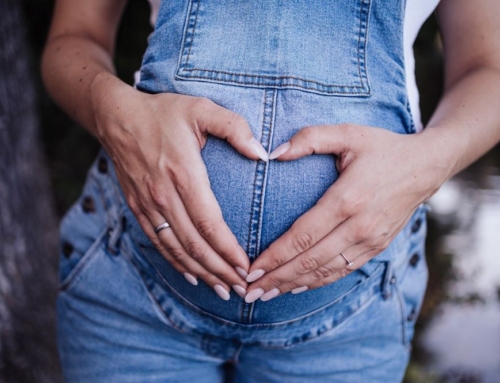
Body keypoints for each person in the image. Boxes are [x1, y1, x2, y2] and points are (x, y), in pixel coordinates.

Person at [42, 0, 500, 381]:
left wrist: (428, 162)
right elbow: (73, 39)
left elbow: (488, 69)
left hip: (349, 323)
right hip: (131, 296)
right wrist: (114, 113)